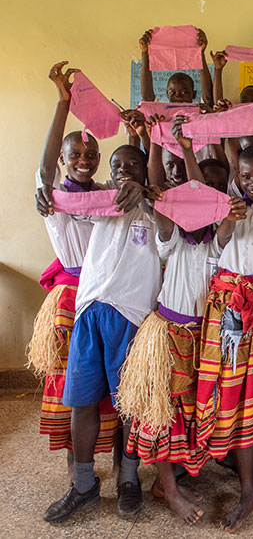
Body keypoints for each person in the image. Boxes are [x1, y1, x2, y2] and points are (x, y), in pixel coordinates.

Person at [119, 116, 236, 525]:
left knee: (189, 412)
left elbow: (220, 221)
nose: (210, 198)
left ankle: (169, 478)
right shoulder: (172, 239)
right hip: (166, 335)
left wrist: (228, 211)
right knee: (160, 412)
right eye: (206, 192)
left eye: (220, 192)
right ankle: (169, 489)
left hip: (202, 340)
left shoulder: (220, 241)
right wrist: (185, 152)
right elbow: (189, 196)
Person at [41, 144, 161, 523]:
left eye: (133, 164)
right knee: (82, 400)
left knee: (128, 404)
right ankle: (82, 485)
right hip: (90, 311)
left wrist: (147, 196)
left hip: (131, 316)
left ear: (146, 169)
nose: (124, 171)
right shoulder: (101, 201)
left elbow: (170, 233)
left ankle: (128, 478)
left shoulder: (158, 207)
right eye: (117, 166)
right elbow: (52, 180)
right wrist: (44, 190)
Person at [29, 61, 121, 484]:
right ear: (64, 161)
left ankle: (123, 468)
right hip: (71, 299)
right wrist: (64, 103)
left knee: (114, 384)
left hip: (109, 294)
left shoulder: (107, 194)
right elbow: (44, 171)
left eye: (89, 155)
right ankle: (78, 470)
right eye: (74, 156)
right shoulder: (54, 200)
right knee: (73, 386)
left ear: (98, 159)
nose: (82, 160)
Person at [193, 140, 253, 532]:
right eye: (246, 175)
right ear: (236, 176)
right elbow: (217, 245)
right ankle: (247, 488)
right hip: (233, 312)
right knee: (239, 400)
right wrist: (229, 217)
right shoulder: (227, 207)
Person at [138, 27, 212, 105]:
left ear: (193, 94)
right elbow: (148, 98)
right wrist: (145, 52)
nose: (178, 97)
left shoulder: (199, 110)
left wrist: (200, 53)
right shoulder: (161, 112)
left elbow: (208, 98)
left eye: (184, 92)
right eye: (172, 93)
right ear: (167, 94)